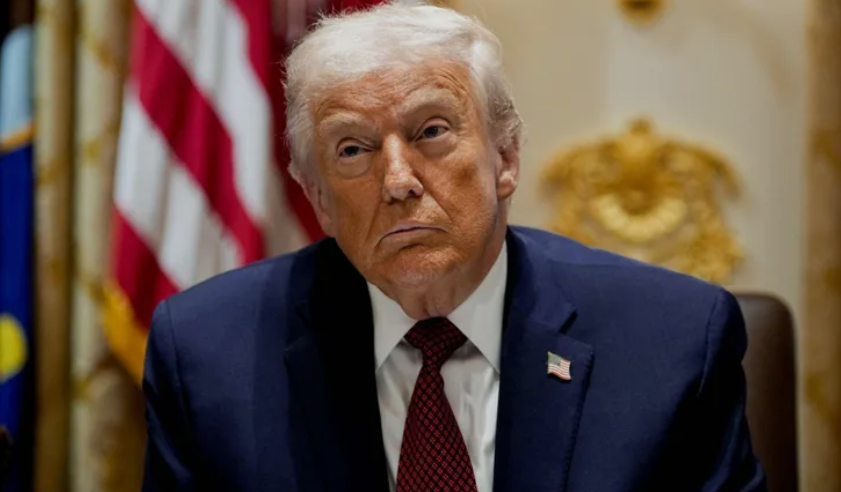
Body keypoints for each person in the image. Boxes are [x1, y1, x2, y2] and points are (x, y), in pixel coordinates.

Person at [141, 3, 766, 491]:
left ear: (507, 156)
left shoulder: (672, 342)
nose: (398, 181)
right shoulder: (206, 357)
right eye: (352, 149)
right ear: (318, 198)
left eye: (432, 131)